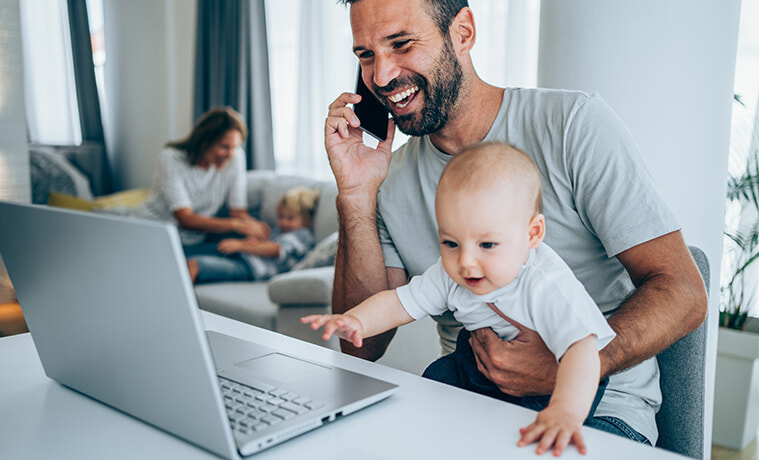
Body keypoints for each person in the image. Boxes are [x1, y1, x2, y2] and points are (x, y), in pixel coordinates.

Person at [325, 0, 707, 448]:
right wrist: (355, 196)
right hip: (466, 400)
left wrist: (574, 365)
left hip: (596, 412)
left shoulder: (573, 126)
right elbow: (360, 348)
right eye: (366, 56)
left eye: (402, 44)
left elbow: (684, 292)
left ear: (463, 33)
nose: (382, 77)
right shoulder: (386, 179)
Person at [304, 143, 616, 456]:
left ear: (532, 234)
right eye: (450, 243)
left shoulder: (546, 284)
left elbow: (583, 350)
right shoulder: (450, 271)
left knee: (534, 435)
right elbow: (399, 303)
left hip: (558, 383)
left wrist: (566, 410)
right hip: (476, 368)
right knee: (434, 379)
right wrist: (357, 320)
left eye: (487, 244)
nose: (466, 261)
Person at [134, 106, 269, 257]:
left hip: (196, 240)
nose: (230, 154)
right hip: (156, 234)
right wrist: (236, 225)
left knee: (244, 252)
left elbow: (238, 212)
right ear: (205, 141)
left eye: (235, 147)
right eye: (224, 147)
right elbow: (185, 219)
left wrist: (254, 228)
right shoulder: (171, 158)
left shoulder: (236, 157)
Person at [187, 187, 319, 284]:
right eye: (281, 217)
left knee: (196, 264)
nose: (283, 222)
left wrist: (241, 246)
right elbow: (265, 244)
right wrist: (252, 241)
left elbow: (276, 249)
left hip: (252, 269)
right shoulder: (280, 231)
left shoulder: (303, 235)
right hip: (243, 258)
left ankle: (179, 304)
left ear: (307, 219)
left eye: (290, 218)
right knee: (192, 255)